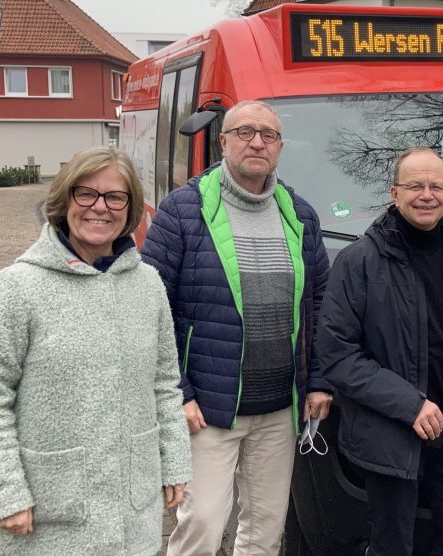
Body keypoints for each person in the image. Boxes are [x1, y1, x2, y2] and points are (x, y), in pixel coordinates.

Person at [0, 147, 192, 555]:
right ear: (64, 200)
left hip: (129, 507)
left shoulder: (147, 285)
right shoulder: (17, 287)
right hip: (48, 511)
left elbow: (163, 384)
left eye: (114, 197)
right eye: (86, 194)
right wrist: (5, 491)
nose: (100, 208)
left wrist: (173, 462)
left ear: (130, 207)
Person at [141, 100, 331, 556]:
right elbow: (151, 309)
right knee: (202, 525)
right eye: (245, 132)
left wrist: (319, 381)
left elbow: (321, 306)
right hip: (208, 408)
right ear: (222, 141)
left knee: (264, 529)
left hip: (279, 409)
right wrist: (178, 392)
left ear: (280, 148)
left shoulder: (300, 215)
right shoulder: (181, 212)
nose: (257, 142)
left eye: (268, 135)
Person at [317, 146, 443, 555]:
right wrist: (411, 405)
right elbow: (337, 354)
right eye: (415, 185)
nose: (427, 195)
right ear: (393, 193)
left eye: (437, 186)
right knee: (393, 546)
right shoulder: (358, 262)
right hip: (390, 436)